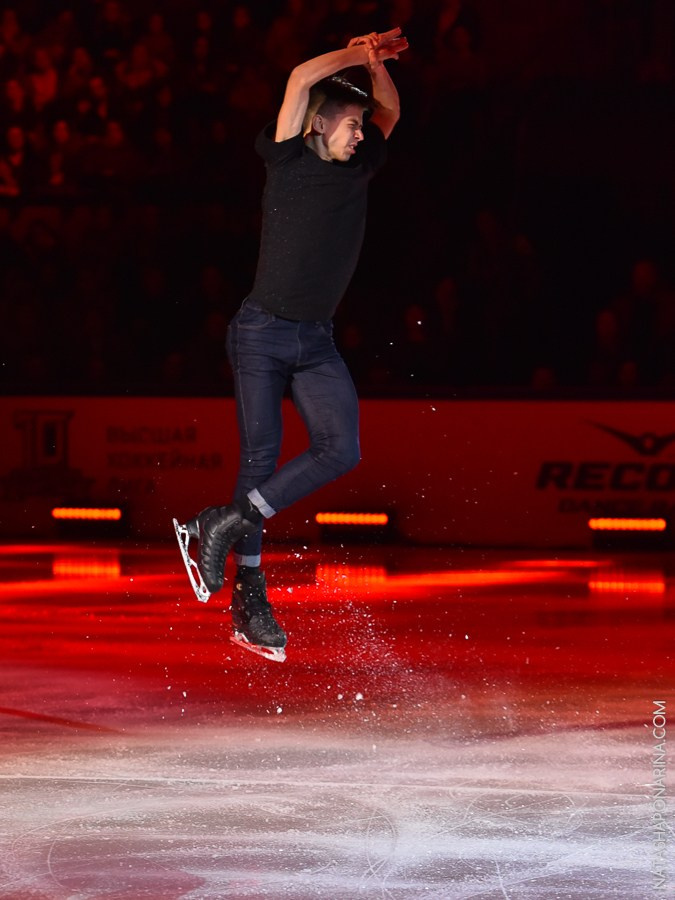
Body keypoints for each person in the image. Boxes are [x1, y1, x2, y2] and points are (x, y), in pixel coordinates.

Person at [174, 27, 409, 661]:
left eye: (361, 124)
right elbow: (301, 78)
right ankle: (251, 601)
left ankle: (217, 524)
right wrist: (360, 53)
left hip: (316, 341)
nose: (361, 132)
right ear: (316, 126)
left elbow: (391, 109)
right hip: (261, 333)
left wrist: (375, 66)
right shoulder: (286, 154)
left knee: (342, 449)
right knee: (260, 459)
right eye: (349, 122)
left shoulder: (362, 165)